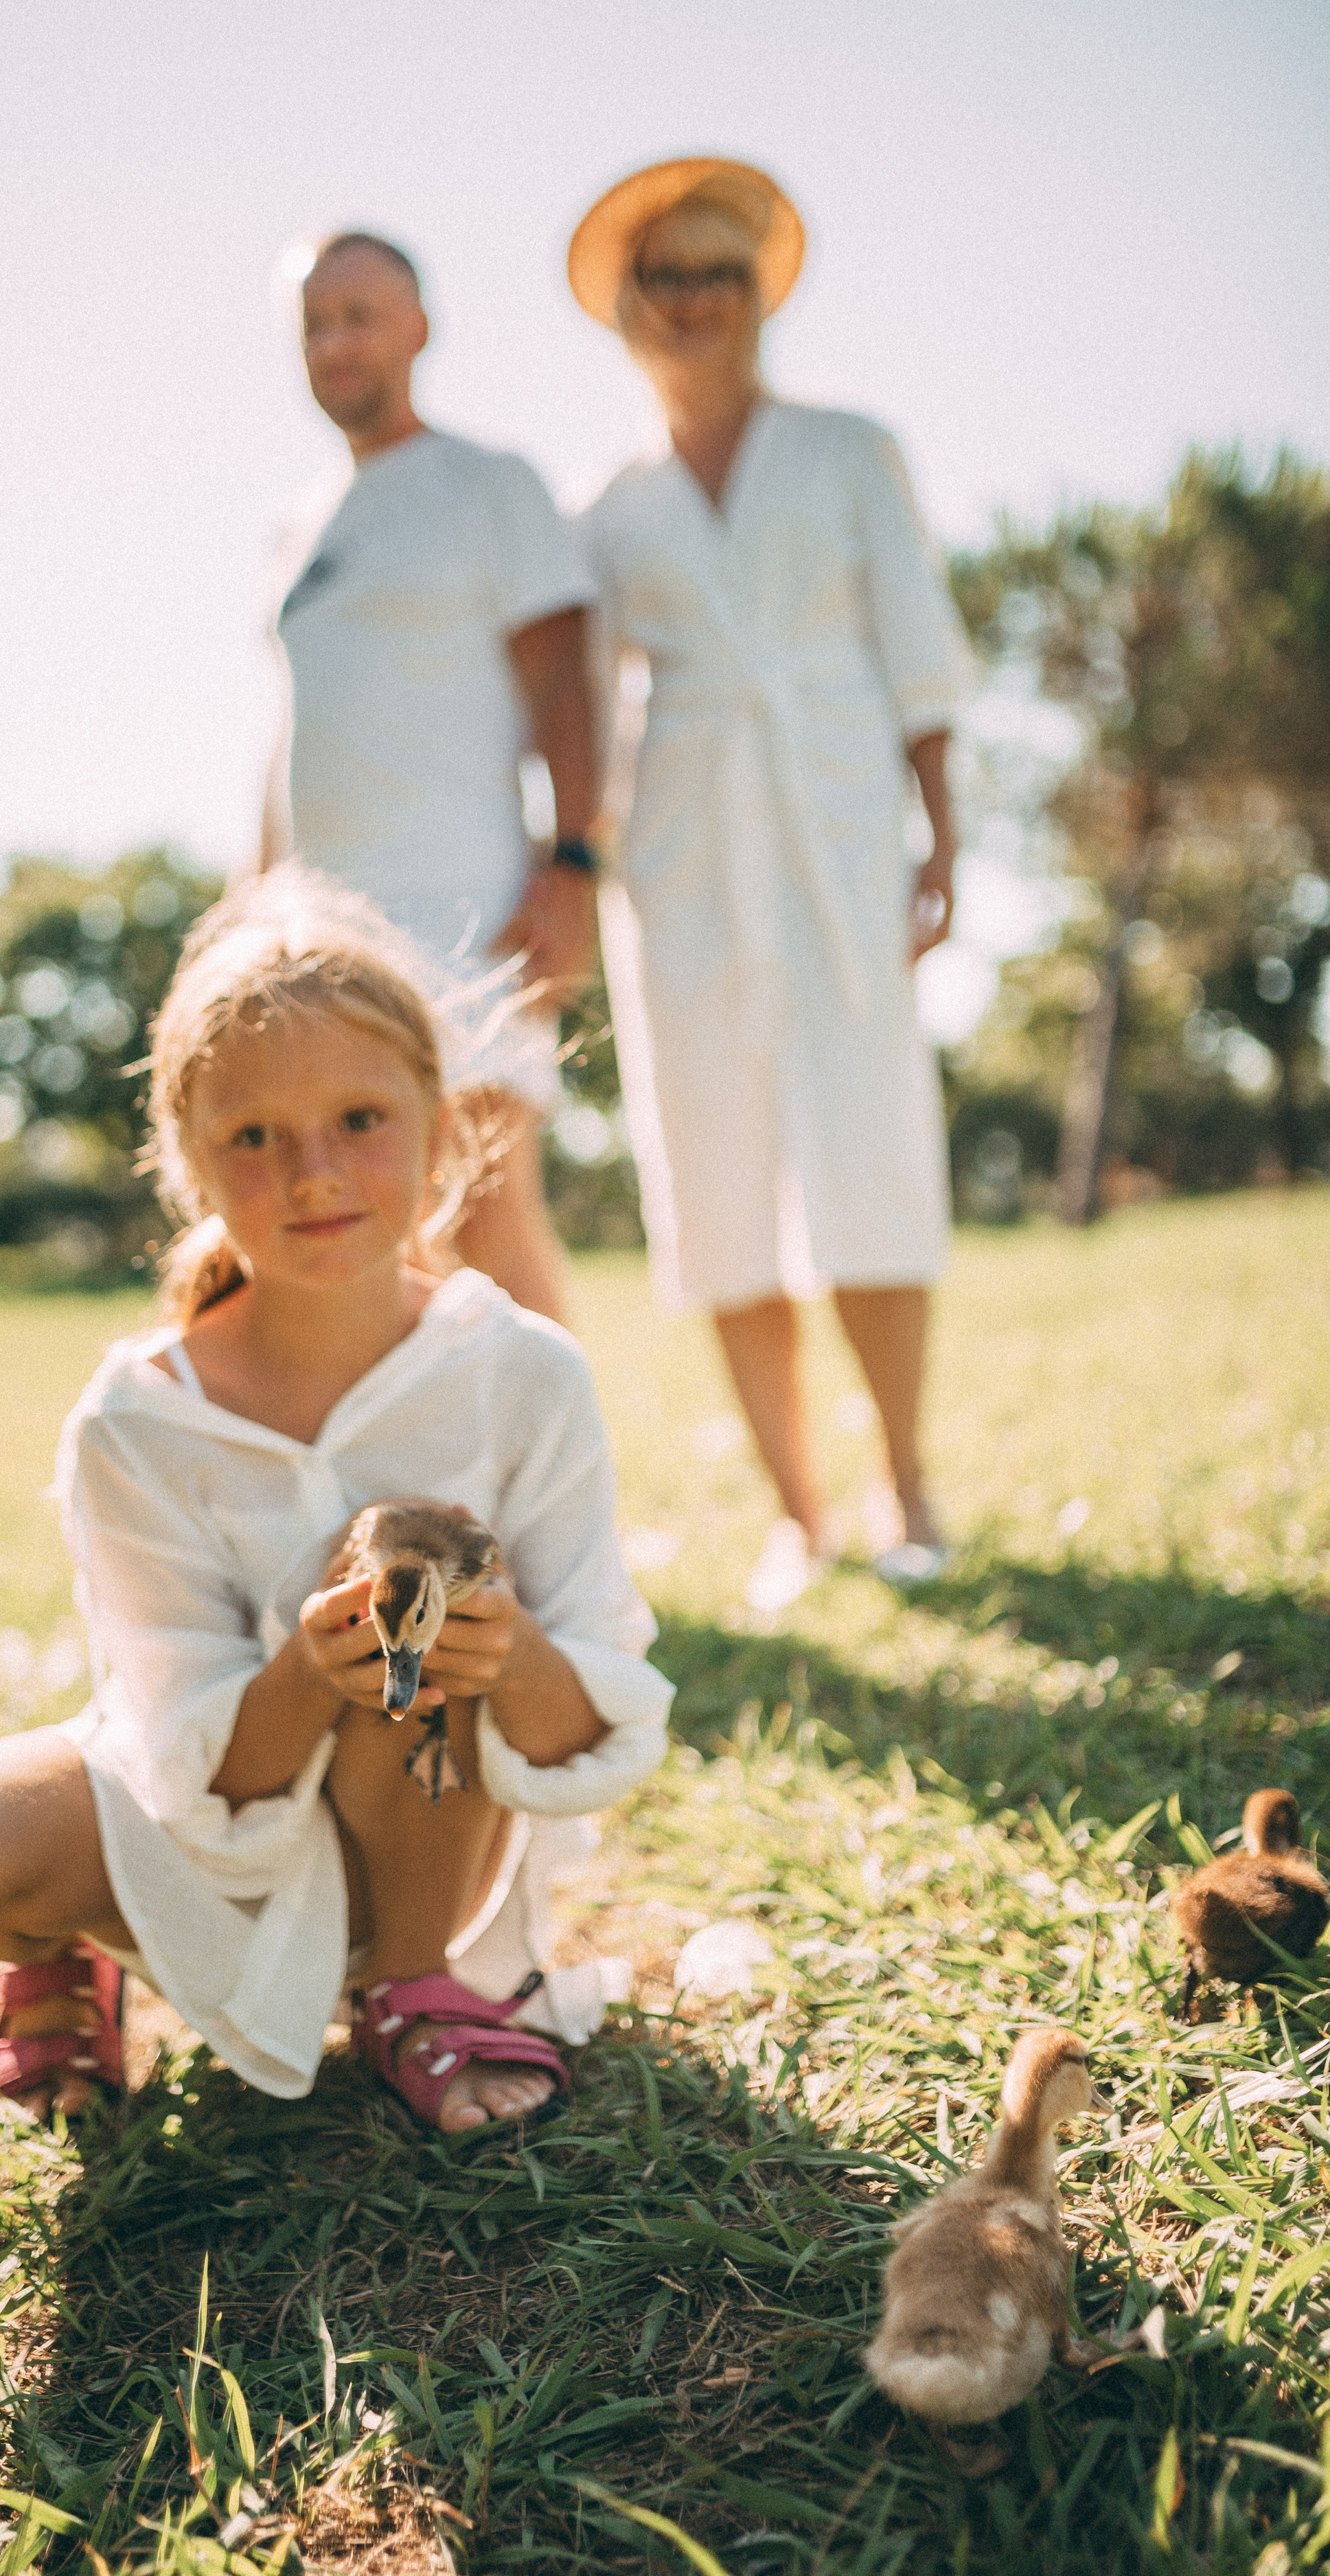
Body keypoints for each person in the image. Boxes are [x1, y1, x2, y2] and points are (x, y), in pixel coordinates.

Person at [0, 878, 672, 2132]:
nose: (312, 1174)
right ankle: (79, 1947)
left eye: (359, 1118)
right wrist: (306, 1665)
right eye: (254, 1137)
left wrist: (499, 1651)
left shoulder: (523, 1372)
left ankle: (413, 1981)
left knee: (424, 1591)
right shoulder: (137, 1420)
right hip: (205, 1838)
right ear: (189, 1164)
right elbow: (180, 1747)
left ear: (443, 1127)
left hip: (432, 1839)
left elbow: (588, 1736)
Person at [569, 159, 974, 1609]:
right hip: (676, 868)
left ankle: (908, 1482)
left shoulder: (850, 451)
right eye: (663, 278)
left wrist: (939, 839)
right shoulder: (604, 508)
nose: (691, 302)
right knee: (717, 1175)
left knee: (865, 1147)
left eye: (716, 275)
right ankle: (800, 1515)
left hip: (839, 838)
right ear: (625, 309)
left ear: (760, 295)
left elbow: (917, 654)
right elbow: (578, 702)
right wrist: (575, 857)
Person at [259, 230, 604, 1325]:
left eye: (359, 315)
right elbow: (292, 739)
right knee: (370, 1244)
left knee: (485, 1209)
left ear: (419, 327)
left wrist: (575, 866)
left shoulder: (488, 486)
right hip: (327, 927)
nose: (336, 342)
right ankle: (420, 1498)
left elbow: (567, 687)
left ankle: (565, 1497)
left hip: (472, 913)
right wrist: (251, 913)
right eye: (315, 323)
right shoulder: (299, 528)